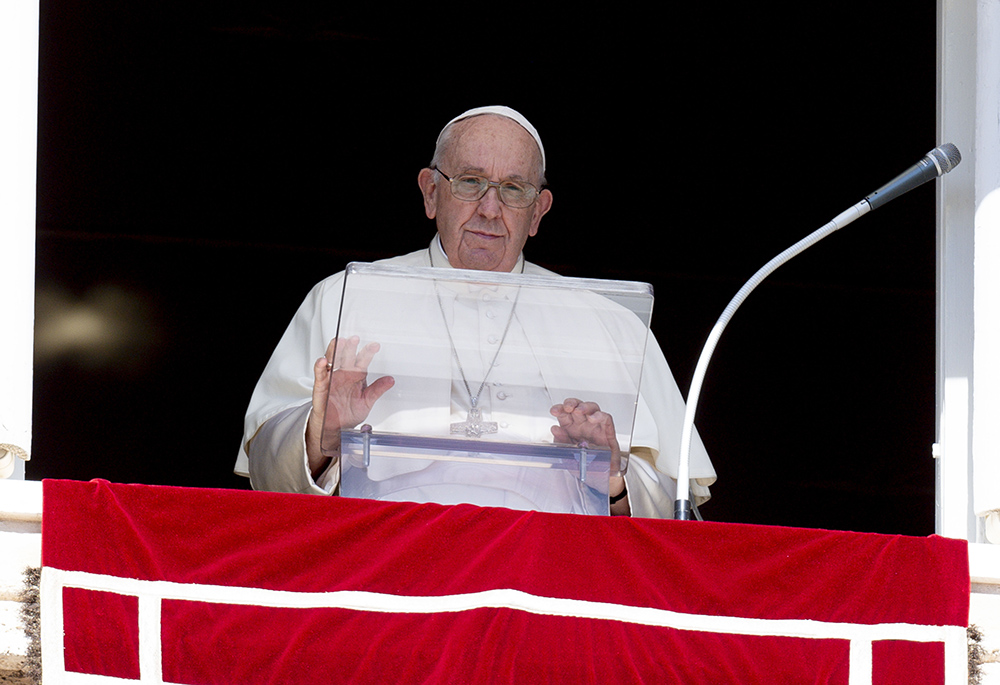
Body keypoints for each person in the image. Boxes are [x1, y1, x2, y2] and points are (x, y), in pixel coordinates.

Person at [236, 105, 716, 517]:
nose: (490, 208)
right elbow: (265, 474)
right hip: (390, 562)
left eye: (513, 189)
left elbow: (680, 509)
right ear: (430, 192)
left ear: (539, 212)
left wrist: (612, 478)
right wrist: (320, 435)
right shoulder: (344, 297)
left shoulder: (611, 324)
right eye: (470, 182)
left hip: (546, 572)